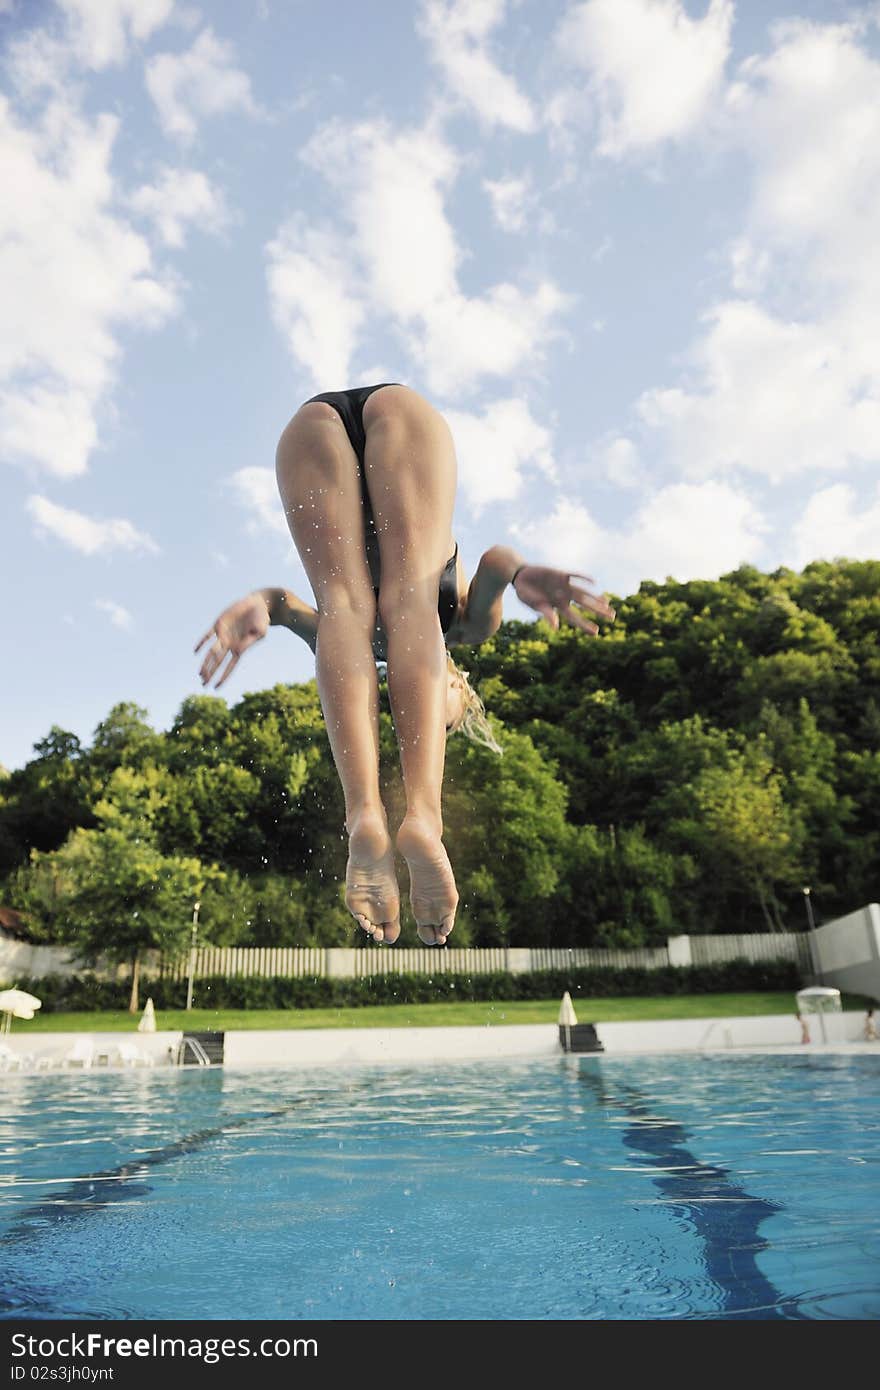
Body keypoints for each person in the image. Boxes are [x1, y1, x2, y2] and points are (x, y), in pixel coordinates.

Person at [195, 383, 615, 946]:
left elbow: (280, 605)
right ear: (458, 687)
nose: (405, 715)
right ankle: (422, 817)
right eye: (443, 720)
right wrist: (521, 573)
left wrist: (256, 603)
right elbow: (494, 561)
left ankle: (363, 816)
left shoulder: (355, 650)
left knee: (343, 608)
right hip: (398, 415)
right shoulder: (465, 629)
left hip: (313, 426)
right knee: (411, 602)